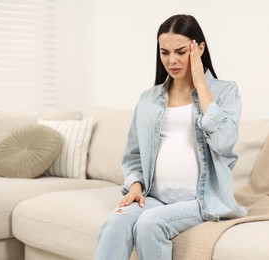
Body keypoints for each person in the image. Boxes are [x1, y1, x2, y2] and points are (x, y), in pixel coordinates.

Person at [95, 14, 248, 260]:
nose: (172, 60)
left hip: (202, 200)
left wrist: (201, 83)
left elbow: (225, 142)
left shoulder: (225, 91)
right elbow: (134, 155)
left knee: (149, 224)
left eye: (180, 51)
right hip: (154, 198)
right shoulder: (148, 98)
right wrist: (135, 185)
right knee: (115, 223)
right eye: (164, 52)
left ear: (198, 49)